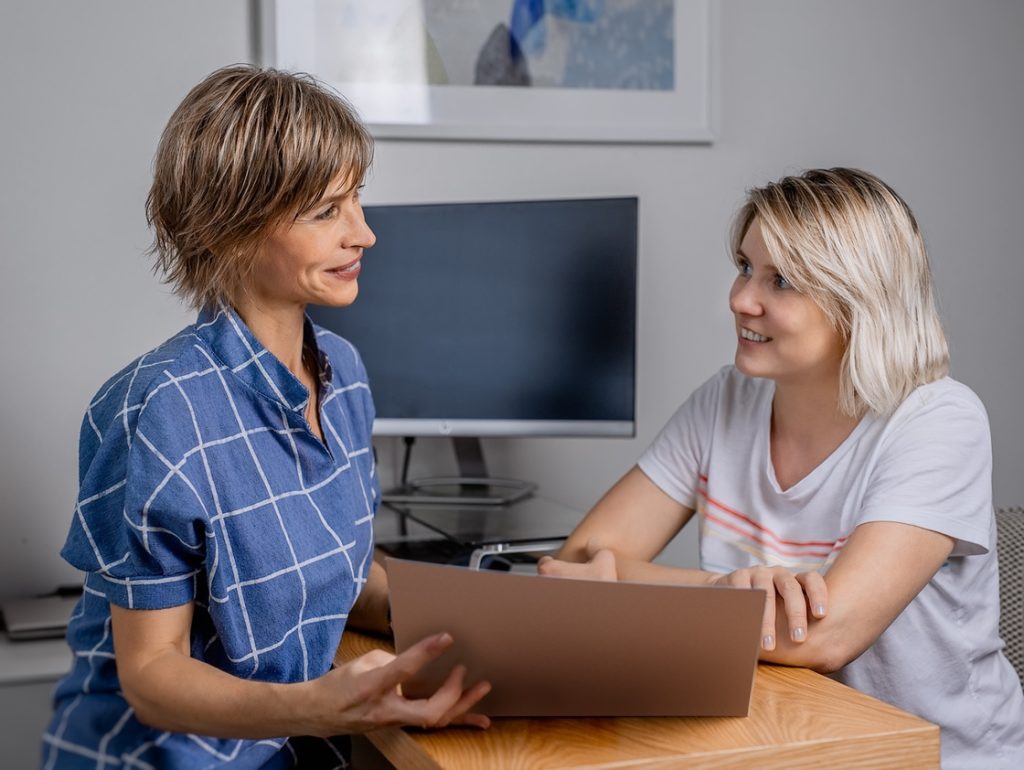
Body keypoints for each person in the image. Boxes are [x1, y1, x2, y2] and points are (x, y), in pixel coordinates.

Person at [41, 65, 490, 769]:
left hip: (289, 749)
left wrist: (484, 618)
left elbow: (341, 575)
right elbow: (152, 677)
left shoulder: (344, 376)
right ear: (232, 230)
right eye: (326, 212)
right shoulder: (157, 409)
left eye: (358, 200)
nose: (365, 234)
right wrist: (321, 708)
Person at [539, 168, 1024, 769]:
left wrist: (627, 583)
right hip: (778, 741)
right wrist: (722, 593)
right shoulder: (726, 400)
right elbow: (579, 562)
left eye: (783, 280)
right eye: (745, 267)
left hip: (935, 759)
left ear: (861, 300)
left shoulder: (939, 419)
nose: (742, 299)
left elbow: (823, 635)